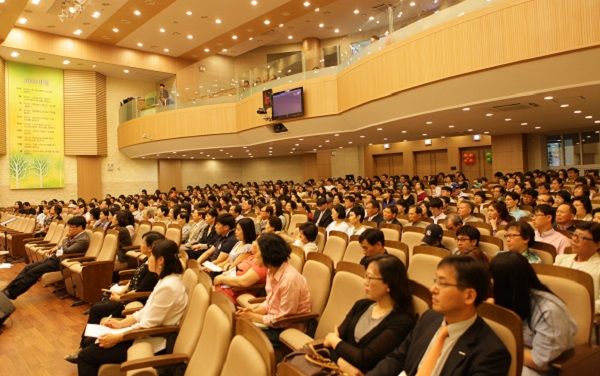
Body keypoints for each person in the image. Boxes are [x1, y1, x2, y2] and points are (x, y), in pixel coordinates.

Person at [367, 256, 510, 376]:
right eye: (435, 281)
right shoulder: (429, 318)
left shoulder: (491, 353)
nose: (432, 289)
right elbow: (396, 358)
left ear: (469, 296)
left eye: (442, 283)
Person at [76, 239, 187, 376]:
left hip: (151, 339)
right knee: (89, 341)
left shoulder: (169, 287)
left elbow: (148, 325)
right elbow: (146, 310)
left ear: (160, 260)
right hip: (142, 333)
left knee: (85, 357)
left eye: (152, 256)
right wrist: (122, 323)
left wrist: (118, 336)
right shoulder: (165, 280)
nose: (148, 260)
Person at [65, 231, 164, 363]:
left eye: (142, 242)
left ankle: (83, 349)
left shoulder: (153, 270)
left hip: (133, 301)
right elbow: (133, 280)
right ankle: (84, 346)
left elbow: (141, 291)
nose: (139, 245)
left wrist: (120, 298)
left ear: (151, 247)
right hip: (128, 296)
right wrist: (122, 290)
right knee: (100, 305)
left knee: (97, 309)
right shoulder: (147, 260)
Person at [322, 255, 416, 374]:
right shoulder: (361, 305)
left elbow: (364, 359)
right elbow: (330, 345)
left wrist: (334, 341)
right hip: (335, 370)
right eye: (365, 276)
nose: (365, 282)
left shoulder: (401, 322)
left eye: (370, 278)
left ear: (389, 284)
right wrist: (344, 364)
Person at [490, 252, 577, 376]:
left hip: (539, 367)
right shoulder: (508, 298)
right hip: (513, 353)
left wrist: (503, 345)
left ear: (506, 285)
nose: (491, 283)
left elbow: (539, 362)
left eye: (494, 279)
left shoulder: (549, 310)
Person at [235, 233, 311, 343]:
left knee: (242, 335)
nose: (255, 254)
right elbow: (270, 301)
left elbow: (283, 319)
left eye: (259, 251)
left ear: (269, 255)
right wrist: (255, 311)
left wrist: (253, 316)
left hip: (288, 327)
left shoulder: (290, 280)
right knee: (236, 324)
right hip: (273, 320)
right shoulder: (271, 270)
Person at [3, 216, 90, 300]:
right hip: (55, 258)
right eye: (69, 226)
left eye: (72, 227)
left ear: (80, 227)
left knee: (33, 272)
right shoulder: (76, 235)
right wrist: (57, 247)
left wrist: (65, 238)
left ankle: (11, 294)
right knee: (27, 268)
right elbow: (65, 246)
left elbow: (67, 250)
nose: (69, 229)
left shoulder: (83, 239)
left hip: (61, 261)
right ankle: (8, 289)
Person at [555, 222, 600, 313]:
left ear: (597, 245)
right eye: (574, 235)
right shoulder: (562, 259)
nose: (574, 240)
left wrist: (577, 308)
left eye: (581, 237)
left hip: (584, 314)